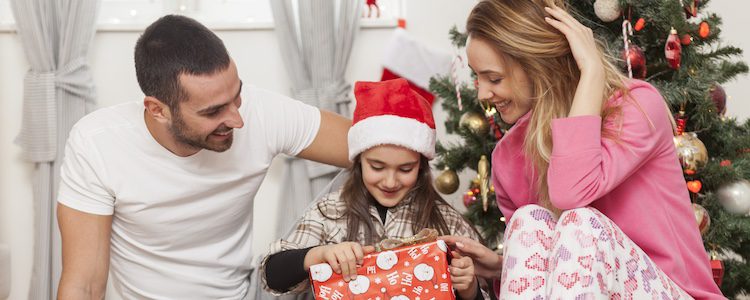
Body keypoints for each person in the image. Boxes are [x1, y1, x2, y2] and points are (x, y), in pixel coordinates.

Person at [441, 0, 725, 299]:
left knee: (581, 222)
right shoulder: (508, 157)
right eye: (478, 77)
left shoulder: (636, 108)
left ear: (538, 65)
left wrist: (590, 71)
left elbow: (571, 193)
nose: (483, 94)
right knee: (528, 222)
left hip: (674, 292)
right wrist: (502, 266)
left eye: (494, 78)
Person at [56, 15, 351, 299]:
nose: (237, 119)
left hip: (247, 294)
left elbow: (376, 144)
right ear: (157, 109)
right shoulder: (97, 143)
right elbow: (84, 286)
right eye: (213, 111)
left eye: (237, 96)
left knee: (376, 166)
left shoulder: (261, 111)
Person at [260, 79, 487, 300]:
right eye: (377, 167)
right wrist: (319, 254)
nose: (390, 181)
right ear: (359, 161)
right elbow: (272, 276)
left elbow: (488, 289)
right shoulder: (330, 211)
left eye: (405, 169)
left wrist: (471, 291)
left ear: (421, 166)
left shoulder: (446, 222)